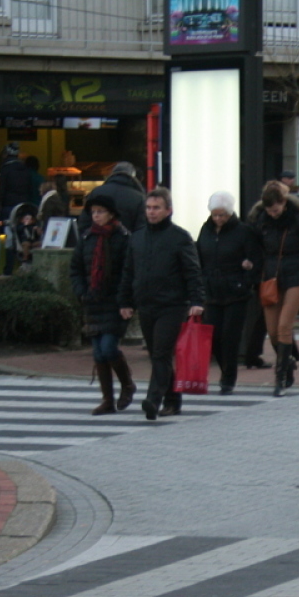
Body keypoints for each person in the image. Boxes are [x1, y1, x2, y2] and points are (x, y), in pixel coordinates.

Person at [117, 187, 205, 421]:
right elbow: (128, 272)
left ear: (169, 210)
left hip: (172, 305)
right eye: (148, 208)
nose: (151, 212)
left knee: (161, 353)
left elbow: (192, 272)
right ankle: (173, 400)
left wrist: (197, 300)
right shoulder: (137, 237)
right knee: (158, 355)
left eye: (156, 208)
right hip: (146, 303)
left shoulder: (179, 237)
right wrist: (125, 300)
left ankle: (153, 400)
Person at [253, 181, 299, 397]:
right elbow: (256, 248)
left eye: (276, 209)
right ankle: (287, 364)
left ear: (283, 203)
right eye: (269, 210)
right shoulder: (262, 221)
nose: (273, 214)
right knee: (273, 330)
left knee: (285, 325)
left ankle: (280, 376)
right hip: (271, 277)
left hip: (296, 274)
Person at [70, 194, 137, 415]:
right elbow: (76, 269)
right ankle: (107, 399)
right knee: (98, 353)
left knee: (108, 347)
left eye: (100, 211)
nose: (96, 216)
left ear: (111, 213)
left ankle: (127, 385)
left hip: (114, 302)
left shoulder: (122, 237)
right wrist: (81, 292)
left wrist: (125, 300)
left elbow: (128, 272)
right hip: (92, 301)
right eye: (93, 212)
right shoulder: (87, 237)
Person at [197, 191, 261, 395]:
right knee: (215, 337)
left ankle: (228, 378)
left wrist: (246, 280)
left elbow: (255, 259)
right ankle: (225, 370)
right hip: (212, 291)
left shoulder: (243, 231)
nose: (218, 219)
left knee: (230, 337)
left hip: (236, 291)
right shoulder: (206, 231)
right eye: (215, 215)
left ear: (230, 213)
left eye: (222, 215)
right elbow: (199, 256)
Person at [79, 162, 147, 233]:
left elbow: (84, 222)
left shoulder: (96, 192)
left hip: (98, 241)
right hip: (126, 242)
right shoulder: (139, 197)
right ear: (133, 177)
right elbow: (141, 228)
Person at [0, 143, 35, 216]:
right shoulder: (25, 169)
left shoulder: (5, 169)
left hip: (8, 205)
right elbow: (30, 189)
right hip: (23, 204)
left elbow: (1, 189)